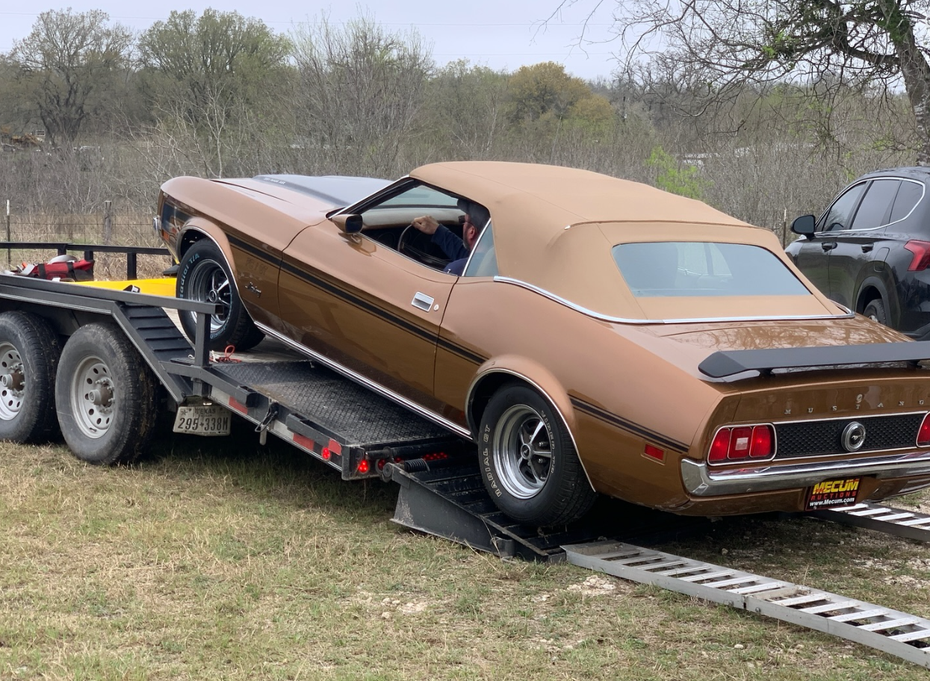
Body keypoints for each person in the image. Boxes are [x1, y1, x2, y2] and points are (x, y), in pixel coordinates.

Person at [411, 200, 490, 276]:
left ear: (471, 232)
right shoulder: (492, 259)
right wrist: (438, 231)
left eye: (464, 220)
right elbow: (469, 256)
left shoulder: (457, 270)